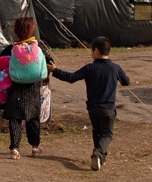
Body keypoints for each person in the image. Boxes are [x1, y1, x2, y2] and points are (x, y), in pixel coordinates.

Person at [48, 36, 130, 171]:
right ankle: (98, 154)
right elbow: (126, 81)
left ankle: (99, 158)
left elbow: (71, 78)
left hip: (93, 108)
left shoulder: (90, 68)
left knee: (97, 132)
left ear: (96, 51)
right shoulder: (115, 68)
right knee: (107, 134)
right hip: (108, 108)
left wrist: (55, 70)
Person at [0, 16, 54, 159]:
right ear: (32, 29)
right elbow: (49, 62)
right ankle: (34, 146)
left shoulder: (11, 48)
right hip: (33, 88)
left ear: (15, 30)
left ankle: (14, 148)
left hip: (16, 87)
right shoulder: (37, 46)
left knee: (15, 118)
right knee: (33, 117)